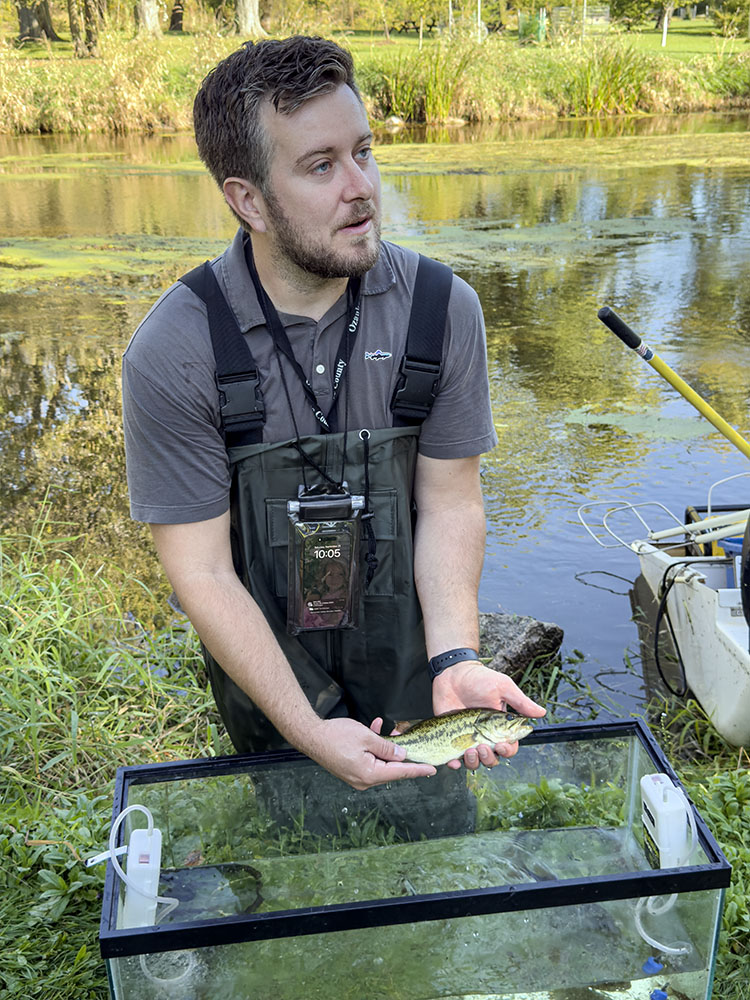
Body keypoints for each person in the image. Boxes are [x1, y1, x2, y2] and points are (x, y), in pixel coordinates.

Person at [122, 35, 545, 793]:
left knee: (433, 849)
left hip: (413, 668)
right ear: (247, 199)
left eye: (364, 152)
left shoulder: (443, 311)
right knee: (292, 842)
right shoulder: (175, 349)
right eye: (321, 166)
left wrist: (455, 660)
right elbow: (204, 573)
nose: (362, 187)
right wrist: (308, 729)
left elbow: (451, 502)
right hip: (269, 675)